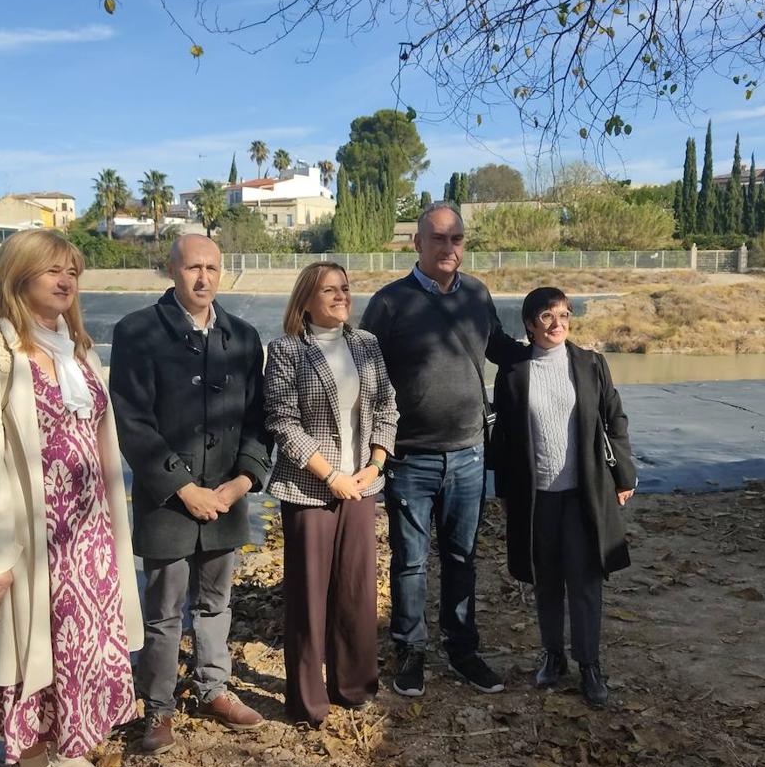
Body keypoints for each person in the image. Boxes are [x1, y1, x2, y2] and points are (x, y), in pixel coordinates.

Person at [0, 230, 143, 767]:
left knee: (76, 650)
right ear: (18, 276)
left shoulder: (79, 350)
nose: (66, 281)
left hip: (89, 536)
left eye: (73, 272)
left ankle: (68, 752)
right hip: (30, 537)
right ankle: (33, 765)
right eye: (52, 270)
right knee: (28, 651)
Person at [110, 234, 273, 752]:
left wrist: (243, 479)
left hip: (226, 497)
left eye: (213, 268)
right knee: (163, 610)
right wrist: (183, 487)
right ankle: (157, 707)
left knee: (216, 602)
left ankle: (212, 687)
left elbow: (258, 419)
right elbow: (132, 422)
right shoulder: (138, 332)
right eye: (192, 268)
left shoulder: (243, 337)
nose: (203, 278)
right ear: (171, 270)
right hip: (167, 501)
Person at [360, 202, 529, 696]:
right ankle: (410, 649)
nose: (449, 247)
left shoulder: (477, 293)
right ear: (416, 243)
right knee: (410, 561)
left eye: (456, 238)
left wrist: (549, 351)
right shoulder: (389, 303)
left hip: (470, 454)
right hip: (410, 457)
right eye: (437, 238)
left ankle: (463, 649)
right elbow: (366, 375)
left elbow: (498, 346)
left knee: (463, 557)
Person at [264, 262, 398, 727]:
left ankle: (355, 686)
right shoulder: (285, 351)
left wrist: (375, 465)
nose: (341, 296)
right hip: (308, 490)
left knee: (357, 590)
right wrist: (331, 477)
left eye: (345, 288)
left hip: (362, 485)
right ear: (305, 300)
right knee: (308, 597)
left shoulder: (367, 345)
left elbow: (386, 407)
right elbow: (282, 421)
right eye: (329, 290)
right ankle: (307, 702)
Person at [490, 286, 637, 707]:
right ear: (530, 323)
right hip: (537, 496)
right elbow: (503, 434)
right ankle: (553, 656)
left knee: (586, 580)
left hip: (584, 492)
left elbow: (615, 420)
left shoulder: (591, 364)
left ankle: (589, 665)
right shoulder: (514, 371)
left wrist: (623, 475)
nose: (558, 324)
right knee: (547, 580)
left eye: (565, 315)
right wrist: (503, 490)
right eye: (548, 316)